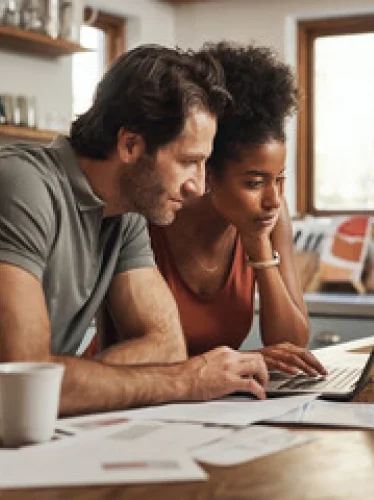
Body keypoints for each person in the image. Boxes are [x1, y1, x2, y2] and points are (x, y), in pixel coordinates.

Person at [0, 44, 269, 417]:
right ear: (130, 145)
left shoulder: (125, 213)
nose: (198, 186)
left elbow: (167, 346)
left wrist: (70, 380)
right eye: (189, 162)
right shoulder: (23, 185)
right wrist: (185, 381)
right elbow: (22, 385)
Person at [148, 42, 326, 377]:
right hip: (124, 401)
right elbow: (138, 352)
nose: (274, 199)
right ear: (208, 173)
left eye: (280, 179)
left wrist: (258, 246)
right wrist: (244, 359)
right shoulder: (154, 216)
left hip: (207, 406)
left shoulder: (270, 218)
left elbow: (292, 343)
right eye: (255, 183)